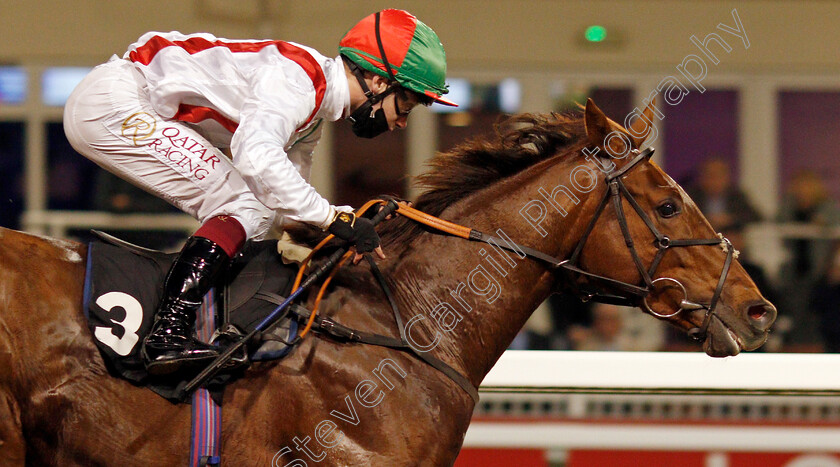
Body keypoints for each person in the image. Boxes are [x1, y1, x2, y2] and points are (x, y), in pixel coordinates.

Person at [63, 9, 456, 375]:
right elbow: (256, 157)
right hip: (115, 104)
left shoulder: (313, 115)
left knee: (255, 211)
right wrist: (335, 218)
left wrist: (336, 231)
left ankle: (199, 321)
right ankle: (167, 333)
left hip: (124, 102)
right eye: (406, 104)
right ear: (378, 81)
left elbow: (284, 204)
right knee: (241, 202)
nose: (403, 122)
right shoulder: (297, 81)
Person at [685, 157, 761, 231]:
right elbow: (684, 217)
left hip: (730, 238)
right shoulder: (692, 196)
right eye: (710, 176)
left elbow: (755, 216)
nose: (714, 181)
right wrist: (707, 219)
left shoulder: (736, 195)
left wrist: (730, 219)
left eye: (718, 176)